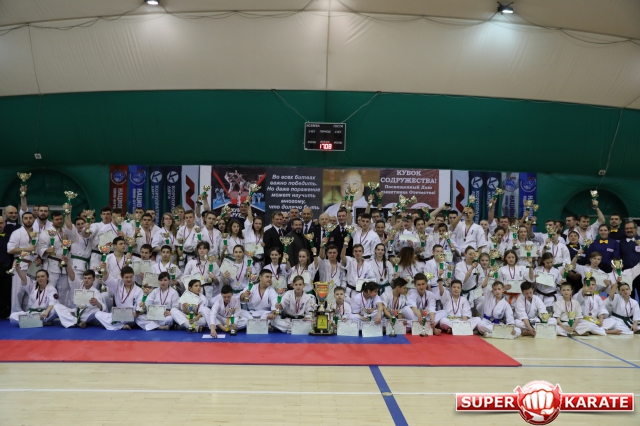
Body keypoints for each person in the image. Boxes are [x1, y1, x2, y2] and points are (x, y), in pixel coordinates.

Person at [54, 261, 106, 328]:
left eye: (89, 278)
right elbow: (72, 275)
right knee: (57, 306)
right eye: (85, 278)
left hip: (88, 314)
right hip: (77, 312)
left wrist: (97, 303)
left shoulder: (95, 292)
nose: (86, 280)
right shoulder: (79, 284)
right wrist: (67, 264)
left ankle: (76, 321)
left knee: (98, 313)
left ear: (93, 279)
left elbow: (103, 307)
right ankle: (78, 322)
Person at [36, 211, 71, 306]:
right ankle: (47, 309)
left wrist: (66, 242)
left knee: (64, 289)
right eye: (57, 219)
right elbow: (40, 247)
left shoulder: (65, 232)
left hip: (64, 265)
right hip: (52, 263)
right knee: (50, 288)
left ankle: (62, 309)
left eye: (61, 219)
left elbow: (70, 246)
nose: (59, 221)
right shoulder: (46, 233)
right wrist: (47, 250)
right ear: (52, 220)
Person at [95, 265, 143, 331]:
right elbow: (108, 279)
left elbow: (139, 303)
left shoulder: (139, 290)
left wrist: (137, 312)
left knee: (142, 318)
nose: (129, 279)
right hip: (119, 315)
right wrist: (104, 271)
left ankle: (113, 324)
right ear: (121, 277)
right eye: (126, 277)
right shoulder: (117, 285)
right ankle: (121, 326)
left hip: (131, 316)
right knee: (97, 314)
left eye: (131, 277)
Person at [619, 221, 640, 301]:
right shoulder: (621, 242)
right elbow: (618, 257)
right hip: (626, 273)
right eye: (627, 228)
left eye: (631, 228)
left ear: (636, 229)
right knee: (629, 297)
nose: (629, 230)